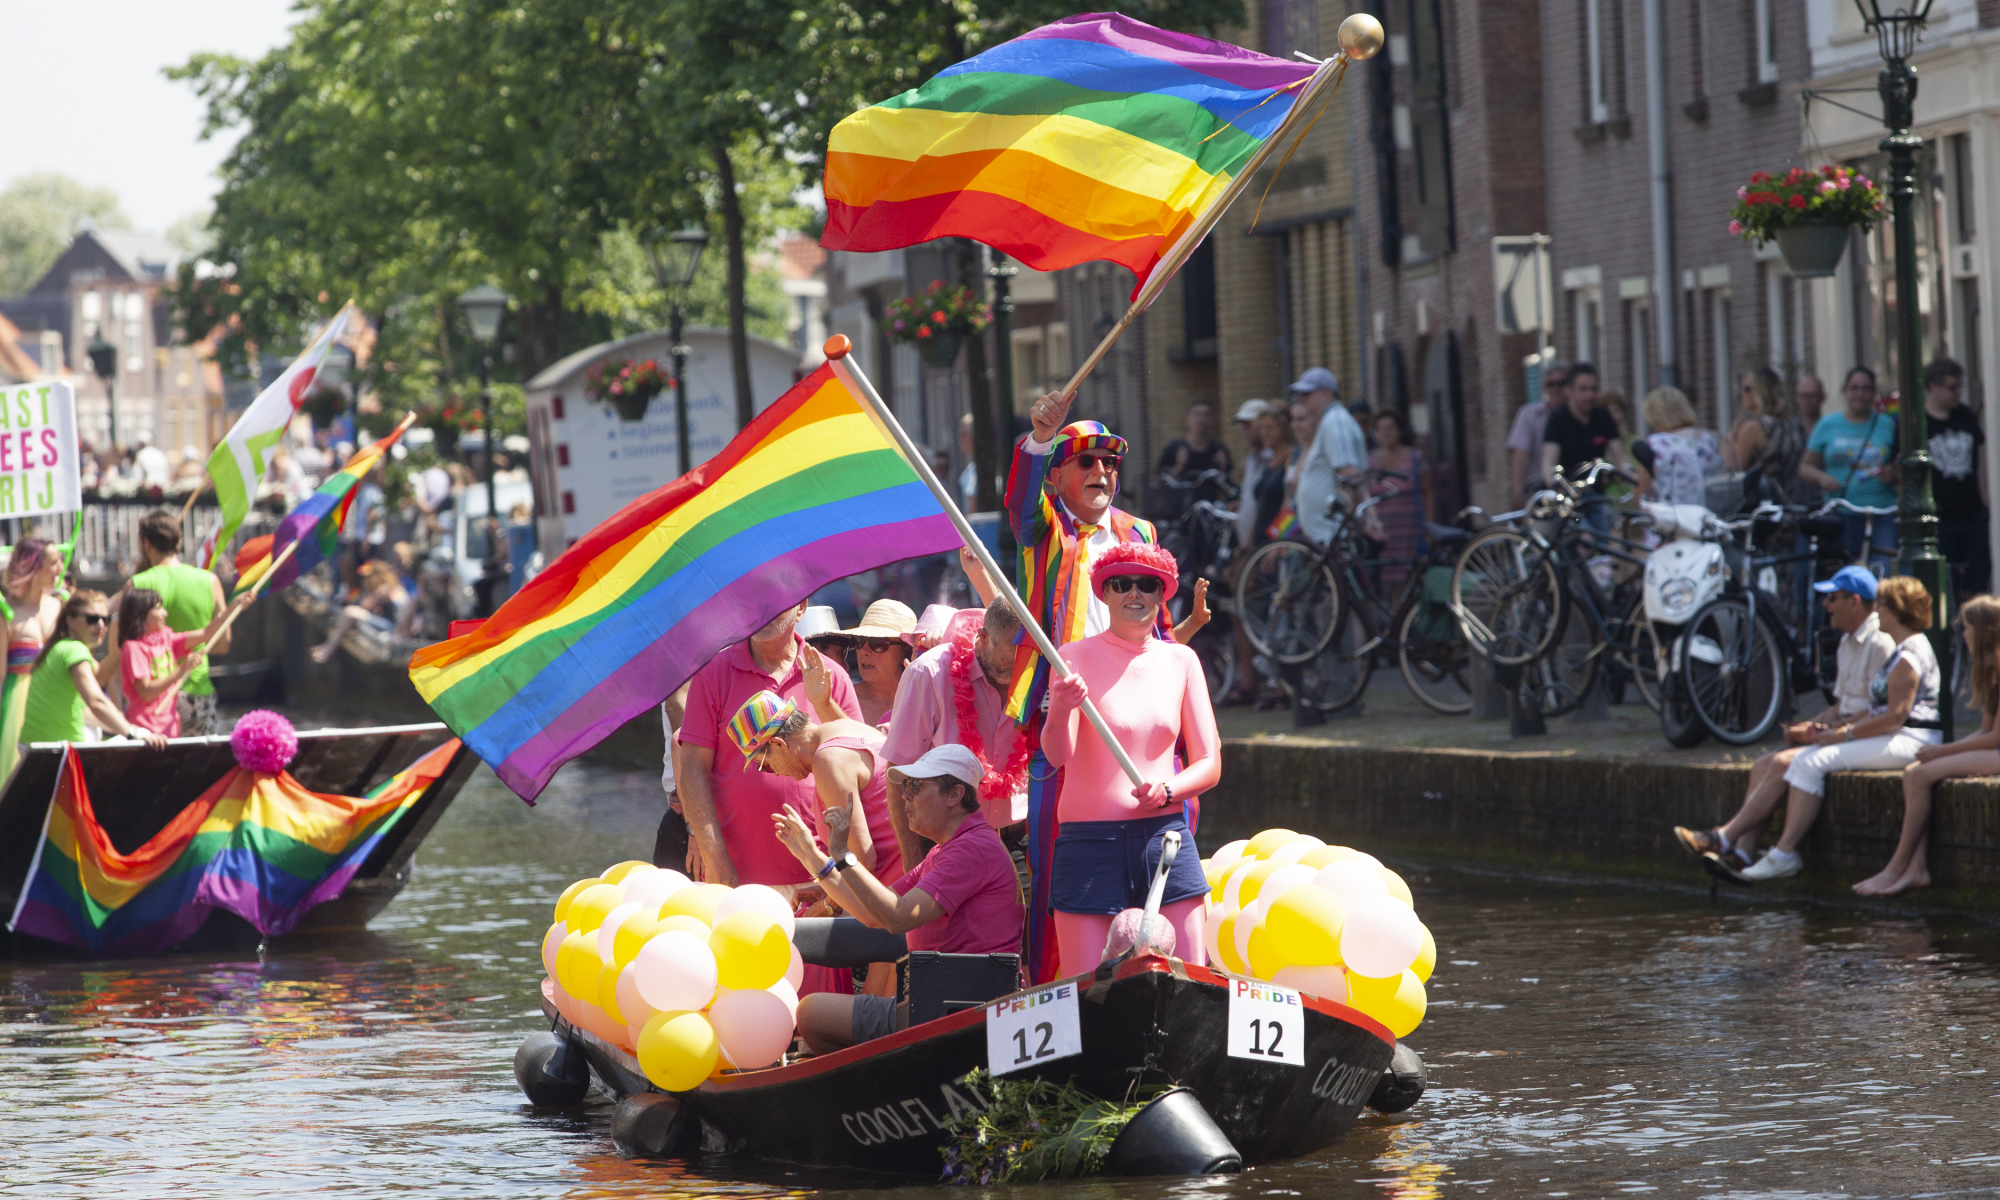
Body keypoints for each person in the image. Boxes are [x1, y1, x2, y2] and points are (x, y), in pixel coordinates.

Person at [1008, 389, 1188, 982]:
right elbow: (1017, 506)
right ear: (1058, 475)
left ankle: (1162, 972)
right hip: (1065, 708)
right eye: (1086, 460)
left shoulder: (1139, 530)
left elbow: (1156, 625)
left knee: (1167, 832)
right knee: (1056, 851)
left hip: (1137, 711)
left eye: (1110, 462)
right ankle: (1055, 983)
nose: (1102, 471)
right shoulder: (1044, 526)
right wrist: (1038, 439)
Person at [1042, 542, 1220, 978]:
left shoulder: (1182, 660)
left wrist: (1168, 790)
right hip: (1089, 843)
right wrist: (1063, 705)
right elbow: (1056, 755)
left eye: (1147, 585)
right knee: (1083, 988)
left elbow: (1210, 762)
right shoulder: (1071, 659)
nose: (1134, 594)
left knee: (1191, 976)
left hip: (1165, 838)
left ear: (1162, 595)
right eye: (1122, 584)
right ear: (1105, 594)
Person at [773, 744, 1023, 1051]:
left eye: (915, 785)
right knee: (814, 1012)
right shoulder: (946, 849)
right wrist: (814, 858)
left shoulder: (969, 849)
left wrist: (841, 854)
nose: (905, 795)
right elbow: (871, 913)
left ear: (955, 795)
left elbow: (896, 917)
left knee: (810, 1013)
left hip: (958, 1008)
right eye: (905, 786)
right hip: (941, 1000)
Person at [1672, 565, 1894, 872]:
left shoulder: (1880, 642)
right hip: (1843, 728)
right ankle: (1743, 854)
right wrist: (1808, 725)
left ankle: (1722, 837)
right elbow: (1841, 704)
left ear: (1854, 602)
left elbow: (1878, 709)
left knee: (1780, 762)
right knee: (1762, 764)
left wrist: (1826, 729)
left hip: (1864, 735)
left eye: (1832, 599)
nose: (1825, 606)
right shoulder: (1846, 642)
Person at [1732, 575, 1942, 883]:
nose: (1876, 611)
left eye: (1881, 606)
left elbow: (1895, 716)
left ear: (1896, 610)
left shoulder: (1909, 655)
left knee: (1812, 760)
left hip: (1912, 738)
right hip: (1899, 734)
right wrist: (1830, 728)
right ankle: (1775, 852)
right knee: (1809, 757)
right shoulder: (1902, 649)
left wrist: (1843, 735)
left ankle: (1783, 854)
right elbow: (1877, 709)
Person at [678, 600, 861, 888]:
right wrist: (715, 860)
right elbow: (692, 770)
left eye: (772, 601)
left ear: (801, 607)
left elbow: (857, 759)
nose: (759, 609)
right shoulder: (713, 674)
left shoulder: (830, 675)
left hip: (826, 874)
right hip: (738, 878)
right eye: (752, 599)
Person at [1851, 594, 2000, 896]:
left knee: (1919, 774)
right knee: (1915, 771)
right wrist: (1944, 752)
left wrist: (1943, 751)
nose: (1964, 636)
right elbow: (1985, 729)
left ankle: (1896, 868)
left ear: (1985, 632)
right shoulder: (1990, 673)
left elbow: (1996, 737)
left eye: (1968, 629)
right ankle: (1916, 868)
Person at [884, 602, 1029, 836]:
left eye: (1029, 657)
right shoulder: (928, 674)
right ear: (983, 637)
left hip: (1021, 834)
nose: (1021, 668)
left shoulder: (1036, 672)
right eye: (1010, 660)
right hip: (946, 836)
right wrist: (911, 859)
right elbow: (899, 768)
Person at [125, 509, 230, 736]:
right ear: (178, 542)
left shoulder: (138, 584)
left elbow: (120, 643)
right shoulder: (210, 580)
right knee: (201, 769)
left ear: (146, 544)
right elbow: (223, 644)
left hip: (153, 700)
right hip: (198, 695)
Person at [21, 590, 167, 749]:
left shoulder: (62, 646)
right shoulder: (74, 650)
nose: (101, 626)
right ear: (70, 621)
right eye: (92, 619)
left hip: (37, 749)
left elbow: (98, 678)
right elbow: (96, 701)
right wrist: (133, 733)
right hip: (53, 753)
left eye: (105, 619)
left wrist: (118, 649)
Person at [118, 586, 247, 739]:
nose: (165, 613)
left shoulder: (166, 639)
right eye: (158, 609)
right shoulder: (134, 648)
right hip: (145, 730)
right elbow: (146, 692)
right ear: (140, 614)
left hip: (170, 728)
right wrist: (182, 669)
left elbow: (206, 633)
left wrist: (231, 608)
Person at [1800, 366, 1898, 567]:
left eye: (1866, 388)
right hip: (1841, 513)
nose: (1859, 394)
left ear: (1873, 393)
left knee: (1883, 571)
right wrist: (1822, 478)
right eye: (1854, 388)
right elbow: (1805, 466)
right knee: (1846, 572)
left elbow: (1902, 465)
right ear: (1845, 392)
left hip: (1881, 513)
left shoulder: (1887, 424)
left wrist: (1894, 474)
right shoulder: (1827, 424)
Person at [1920, 357, 1989, 599]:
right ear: (1933, 387)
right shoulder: (1918, 423)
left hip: (1972, 511)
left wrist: (1986, 501)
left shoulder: (1966, 416)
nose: (1958, 393)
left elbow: (1979, 460)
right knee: (1945, 582)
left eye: (1960, 387)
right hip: (1940, 515)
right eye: (1952, 387)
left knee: (1976, 578)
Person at [0, 538, 66, 773]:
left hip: (54, 699)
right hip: (17, 707)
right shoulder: (6, 613)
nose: (60, 567)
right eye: (54, 562)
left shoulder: (61, 607)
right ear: (34, 569)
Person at [1541, 362, 1630, 535]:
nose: (1590, 395)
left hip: (1596, 497)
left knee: (1604, 544)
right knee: (1584, 542)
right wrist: (1555, 483)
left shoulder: (1603, 417)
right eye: (1583, 389)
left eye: (1593, 389)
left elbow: (1620, 457)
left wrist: (1636, 480)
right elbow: (1548, 460)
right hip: (1568, 500)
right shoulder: (1558, 420)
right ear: (1569, 390)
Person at [1290, 367, 1367, 546]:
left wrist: (1359, 521)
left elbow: (1351, 475)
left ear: (1327, 393)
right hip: (1323, 536)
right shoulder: (1328, 422)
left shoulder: (1335, 422)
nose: (1302, 398)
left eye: (1307, 393)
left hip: (1332, 536)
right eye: (1300, 394)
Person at [821, 598, 916, 727]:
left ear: (905, 649)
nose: (863, 651)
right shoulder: (839, 701)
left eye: (877, 643)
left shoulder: (925, 698)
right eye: (859, 641)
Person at [1366, 409, 1433, 589]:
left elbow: (1428, 491)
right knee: (1389, 583)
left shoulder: (1415, 457)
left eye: (1390, 428)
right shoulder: (1370, 462)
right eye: (1381, 429)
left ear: (1399, 431)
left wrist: (1429, 526)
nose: (1386, 433)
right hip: (1384, 534)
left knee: (1413, 581)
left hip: (1411, 532)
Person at [1635, 387, 1724, 506]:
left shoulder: (1658, 443)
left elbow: (1642, 492)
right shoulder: (1708, 439)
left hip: (1674, 518)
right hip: (1709, 515)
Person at [310, 559, 412, 663]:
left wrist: (365, 591)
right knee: (351, 614)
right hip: (394, 627)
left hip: (391, 627)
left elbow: (364, 606)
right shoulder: (396, 588)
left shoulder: (385, 589)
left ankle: (328, 648)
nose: (365, 579)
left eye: (368, 577)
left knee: (350, 612)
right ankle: (327, 646)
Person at [1730, 368, 1805, 506]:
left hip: (1762, 510)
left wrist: (1732, 435)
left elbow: (1732, 472)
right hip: (1790, 505)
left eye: (1746, 388)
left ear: (1761, 392)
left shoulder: (1754, 427)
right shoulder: (1791, 425)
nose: (1741, 393)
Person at [1157, 398, 1233, 508]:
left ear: (1212, 419)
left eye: (1206, 415)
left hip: (1209, 509)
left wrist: (1222, 468)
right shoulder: (1174, 448)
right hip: (1180, 510)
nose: (1201, 419)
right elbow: (1160, 485)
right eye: (1197, 414)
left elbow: (1227, 487)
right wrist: (1178, 467)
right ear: (1187, 418)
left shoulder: (1218, 449)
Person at [1509, 362, 1566, 501]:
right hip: (1540, 492)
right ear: (1544, 388)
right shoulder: (1529, 414)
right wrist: (1518, 491)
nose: (1556, 388)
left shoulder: (1578, 416)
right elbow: (1520, 452)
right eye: (1550, 384)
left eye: (1561, 383)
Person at [1231, 399, 1272, 547]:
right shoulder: (1250, 460)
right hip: (1248, 544)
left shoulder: (1274, 459)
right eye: (1243, 425)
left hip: (1266, 543)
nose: (1245, 429)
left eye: (1250, 423)